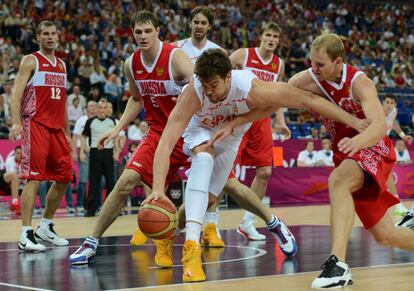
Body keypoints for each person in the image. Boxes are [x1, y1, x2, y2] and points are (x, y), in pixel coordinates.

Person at [142, 48, 368, 282]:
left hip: (233, 133)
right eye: (205, 85)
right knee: (204, 158)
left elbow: (307, 99)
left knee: (207, 200)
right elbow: (166, 141)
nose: (209, 91)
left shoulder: (251, 87)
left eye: (215, 85)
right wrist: (158, 189)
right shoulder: (194, 93)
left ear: (229, 77)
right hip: (201, 130)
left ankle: (166, 236)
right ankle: (191, 250)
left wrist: (353, 121)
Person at [217, 32, 414, 289]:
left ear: (338, 62)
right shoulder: (305, 80)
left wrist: (357, 141)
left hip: (372, 147)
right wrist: (237, 121)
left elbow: (378, 126)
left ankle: (338, 265)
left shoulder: (359, 82)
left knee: (338, 180)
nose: (314, 68)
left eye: (320, 64)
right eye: (311, 62)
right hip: (347, 152)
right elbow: (273, 102)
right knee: (384, 235)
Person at [69, 10, 194, 264]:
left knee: (211, 190)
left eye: (148, 30)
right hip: (159, 132)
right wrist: (118, 128)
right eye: (138, 31)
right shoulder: (131, 64)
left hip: (190, 132)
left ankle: (270, 222)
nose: (143, 36)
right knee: (125, 181)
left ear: (158, 31)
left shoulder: (175, 57)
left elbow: (200, 86)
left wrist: (187, 94)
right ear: (132, 33)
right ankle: (90, 242)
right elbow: (137, 100)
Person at [130, 5, 227, 247]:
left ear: (209, 26)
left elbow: (222, 85)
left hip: (208, 116)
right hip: (180, 118)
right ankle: (154, 221)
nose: (199, 26)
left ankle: (211, 225)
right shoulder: (177, 50)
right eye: (196, 22)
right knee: (155, 172)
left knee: (219, 178)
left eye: (204, 22)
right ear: (191, 24)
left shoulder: (218, 52)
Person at [225, 21, 291, 241]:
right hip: (238, 115)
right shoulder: (242, 55)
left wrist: (280, 121)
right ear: (261, 36)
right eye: (268, 35)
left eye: (275, 36)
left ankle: (247, 222)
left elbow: (279, 95)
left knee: (265, 172)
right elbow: (219, 74)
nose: (271, 39)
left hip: (262, 119)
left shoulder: (278, 64)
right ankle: (210, 225)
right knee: (221, 171)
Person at [9, 20, 71, 252]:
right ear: (38, 37)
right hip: (35, 123)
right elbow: (16, 93)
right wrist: (16, 121)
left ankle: (45, 226)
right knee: (33, 178)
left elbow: (62, 101)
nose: (50, 37)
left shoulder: (62, 65)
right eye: (45, 34)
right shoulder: (31, 60)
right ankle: (25, 233)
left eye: (53, 33)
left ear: (58, 36)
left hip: (56, 129)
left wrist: (67, 131)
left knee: (64, 177)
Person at [81, 99, 119, 216]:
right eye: (100, 108)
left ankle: (110, 209)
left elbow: (115, 137)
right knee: (94, 181)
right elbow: (83, 136)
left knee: (110, 181)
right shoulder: (90, 121)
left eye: (104, 108)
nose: (102, 110)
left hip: (108, 153)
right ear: (97, 109)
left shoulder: (112, 121)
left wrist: (116, 151)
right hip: (95, 153)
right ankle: (91, 209)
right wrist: (83, 150)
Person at [382, 94, 412, 216]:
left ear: (395, 105)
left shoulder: (394, 111)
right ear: (382, 103)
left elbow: (393, 124)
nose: (389, 105)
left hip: (382, 141)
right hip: (370, 142)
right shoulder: (375, 110)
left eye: (392, 103)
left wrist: (403, 136)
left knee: (387, 172)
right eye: (387, 102)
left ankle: (397, 205)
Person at [71, 100, 97, 215]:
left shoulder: (98, 121)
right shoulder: (81, 120)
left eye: (95, 106)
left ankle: (94, 205)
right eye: (91, 105)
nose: (93, 107)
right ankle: (80, 204)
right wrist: (74, 152)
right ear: (86, 108)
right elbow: (75, 137)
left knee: (96, 180)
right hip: (84, 152)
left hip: (97, 152)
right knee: (83, 179)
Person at [3, 145, 22, 215]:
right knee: (14, 174)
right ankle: (15, 204)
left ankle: (14, 203)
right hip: (7, 179)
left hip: (19, 180)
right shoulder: (10, 160)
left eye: (21, 153)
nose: (19, 155)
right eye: (18, 153)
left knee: (16, 178)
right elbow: (13, 174)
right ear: (15, 153)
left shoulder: (26, 161)